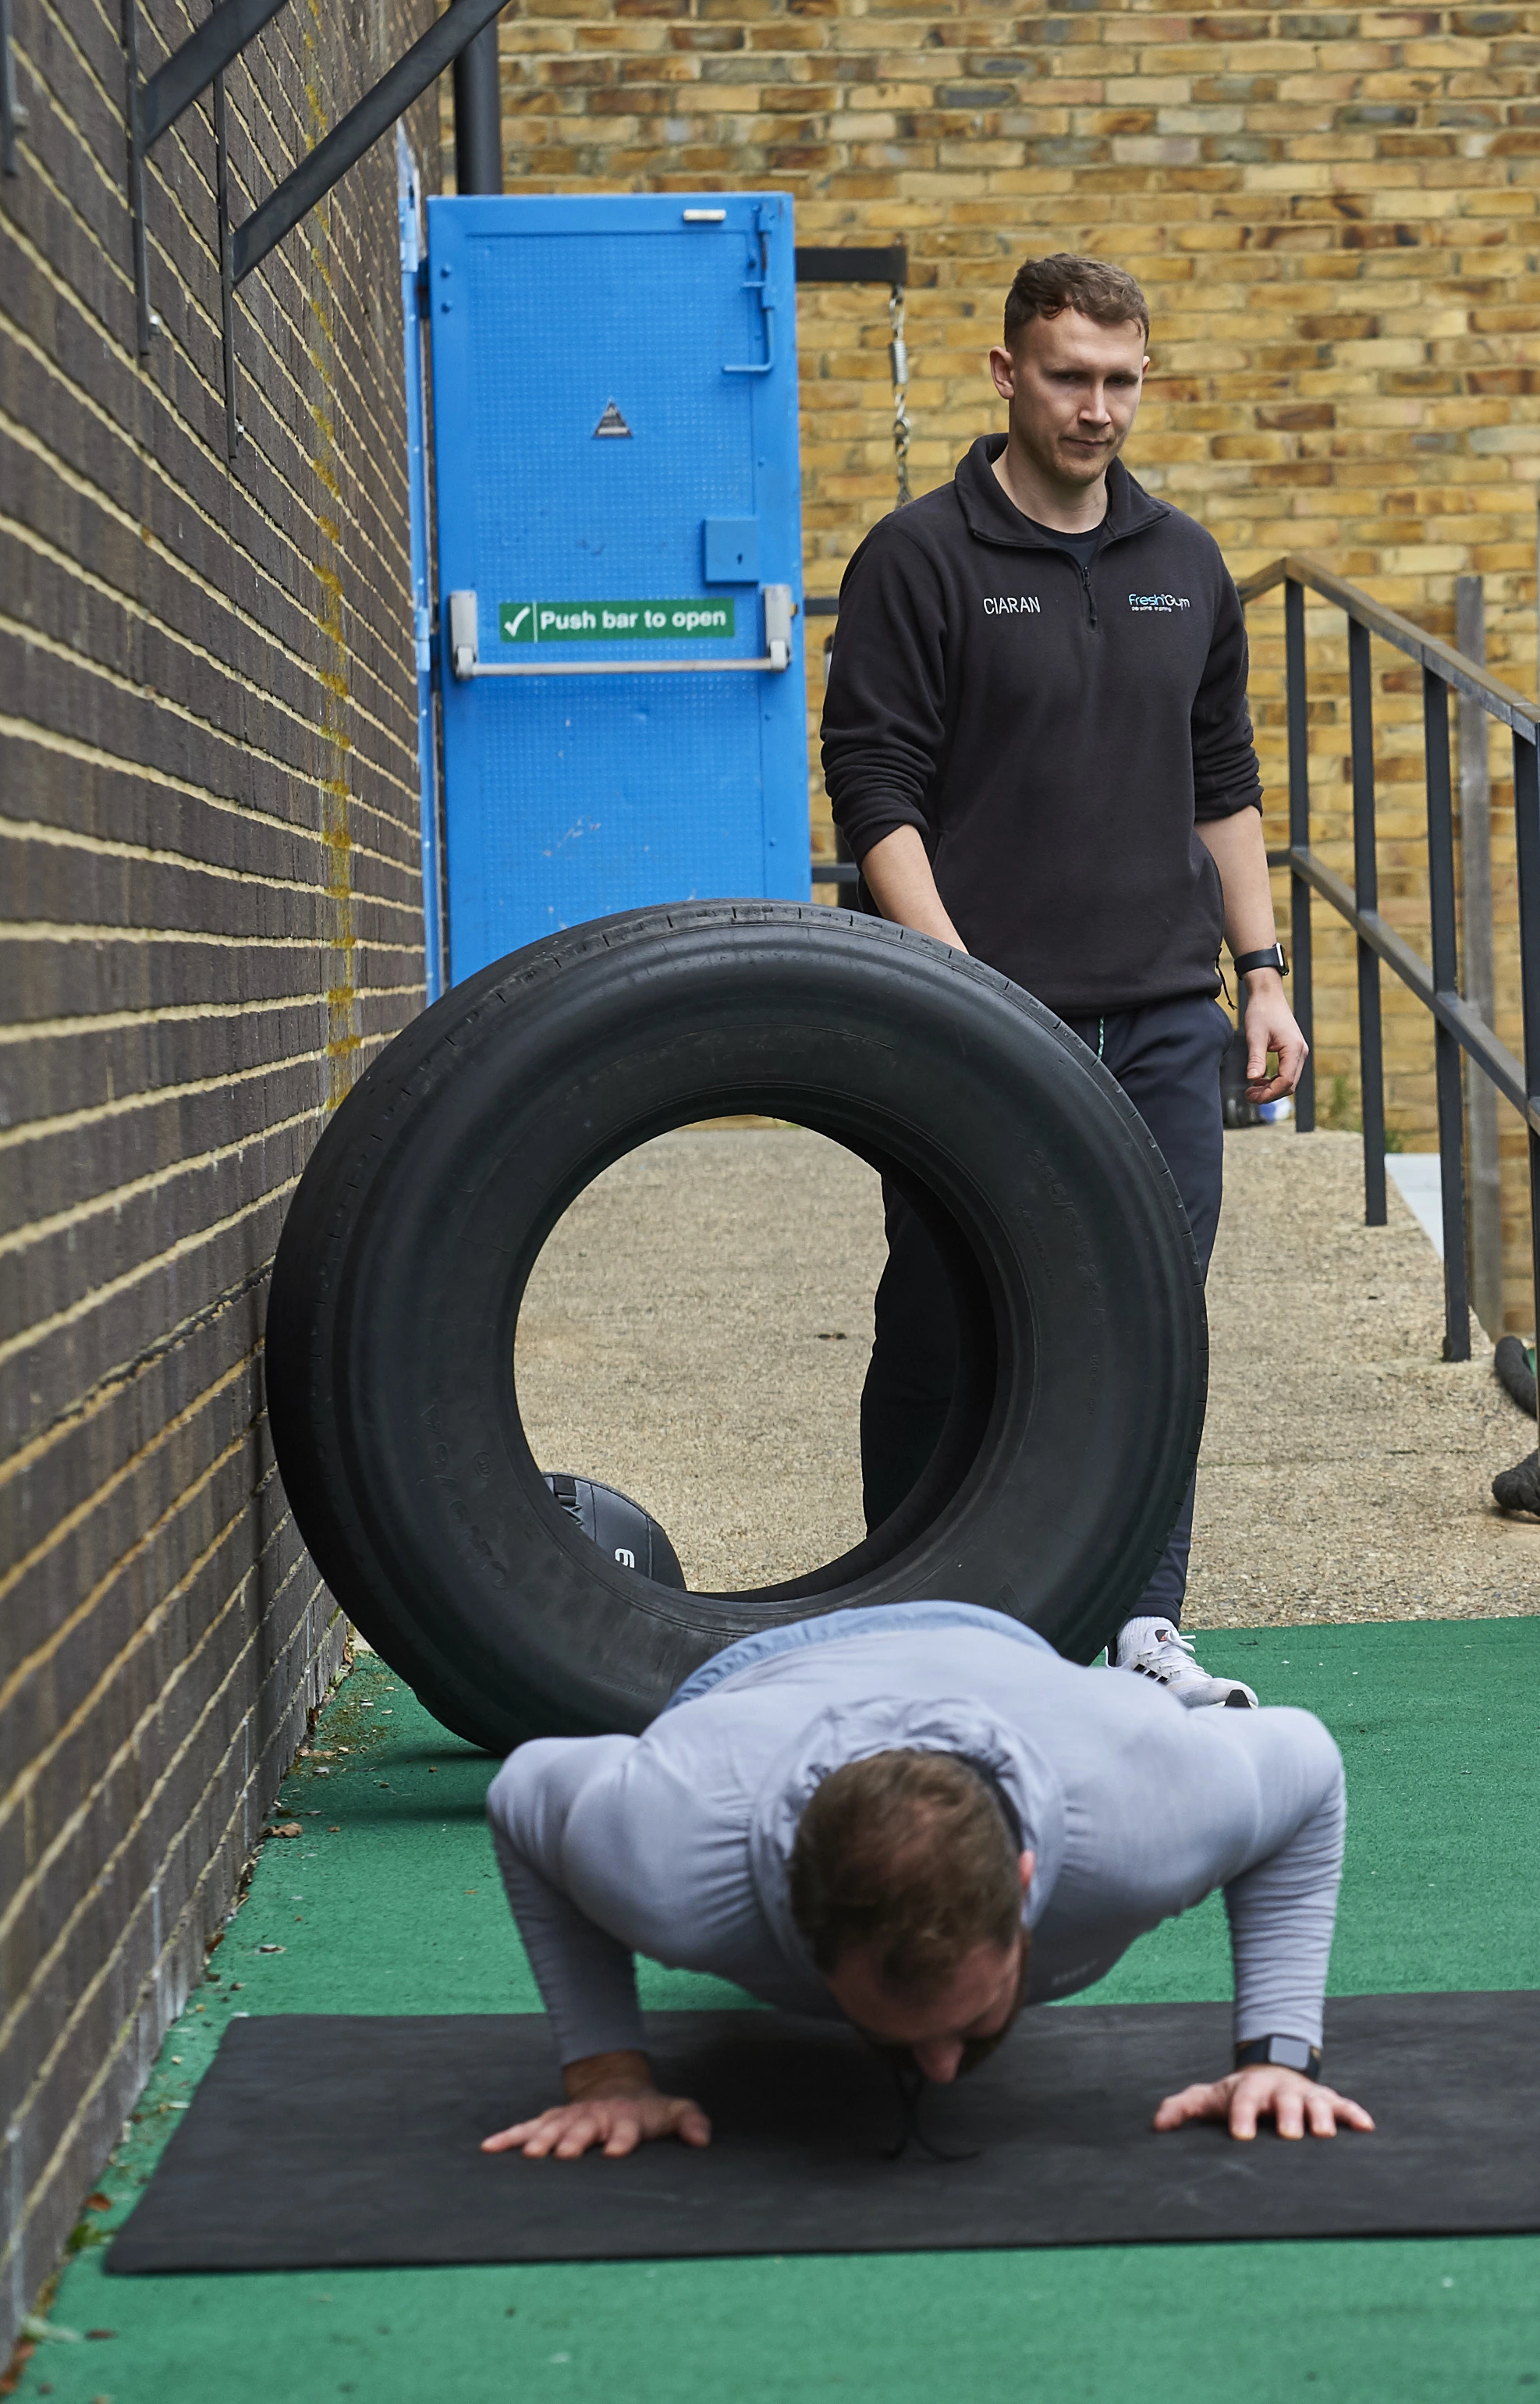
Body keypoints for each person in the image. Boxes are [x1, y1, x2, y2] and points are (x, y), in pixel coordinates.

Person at [821, 254, 1308, 1711]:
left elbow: (1221, 779)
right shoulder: (919, 558)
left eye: (1121, 379)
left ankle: (1140, 1622)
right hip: (979, 1021)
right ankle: (903, 1606)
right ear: (1006, 375)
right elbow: (873, 788)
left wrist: (1263, 972)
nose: (1097, 407)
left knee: (1151, 1320)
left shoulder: (1184, 564)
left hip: (1164, 1017)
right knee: (947, 1308)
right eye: (1068, 376)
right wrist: (958, 987)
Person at [477, 1603, 1368, 2158]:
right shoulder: (669, 1849)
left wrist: (1277, 2055)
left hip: (1019, 1669)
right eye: (891, 2020)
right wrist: (606, 2075)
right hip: (750, 1688)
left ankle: (1146, 1664)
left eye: (973, 2013)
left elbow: (1311, 1767)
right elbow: (524, 1792)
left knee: (1155, 1731)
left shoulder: (1146, 1808)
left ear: (1023, 1883)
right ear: (795, 1911)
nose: (940, 2067)